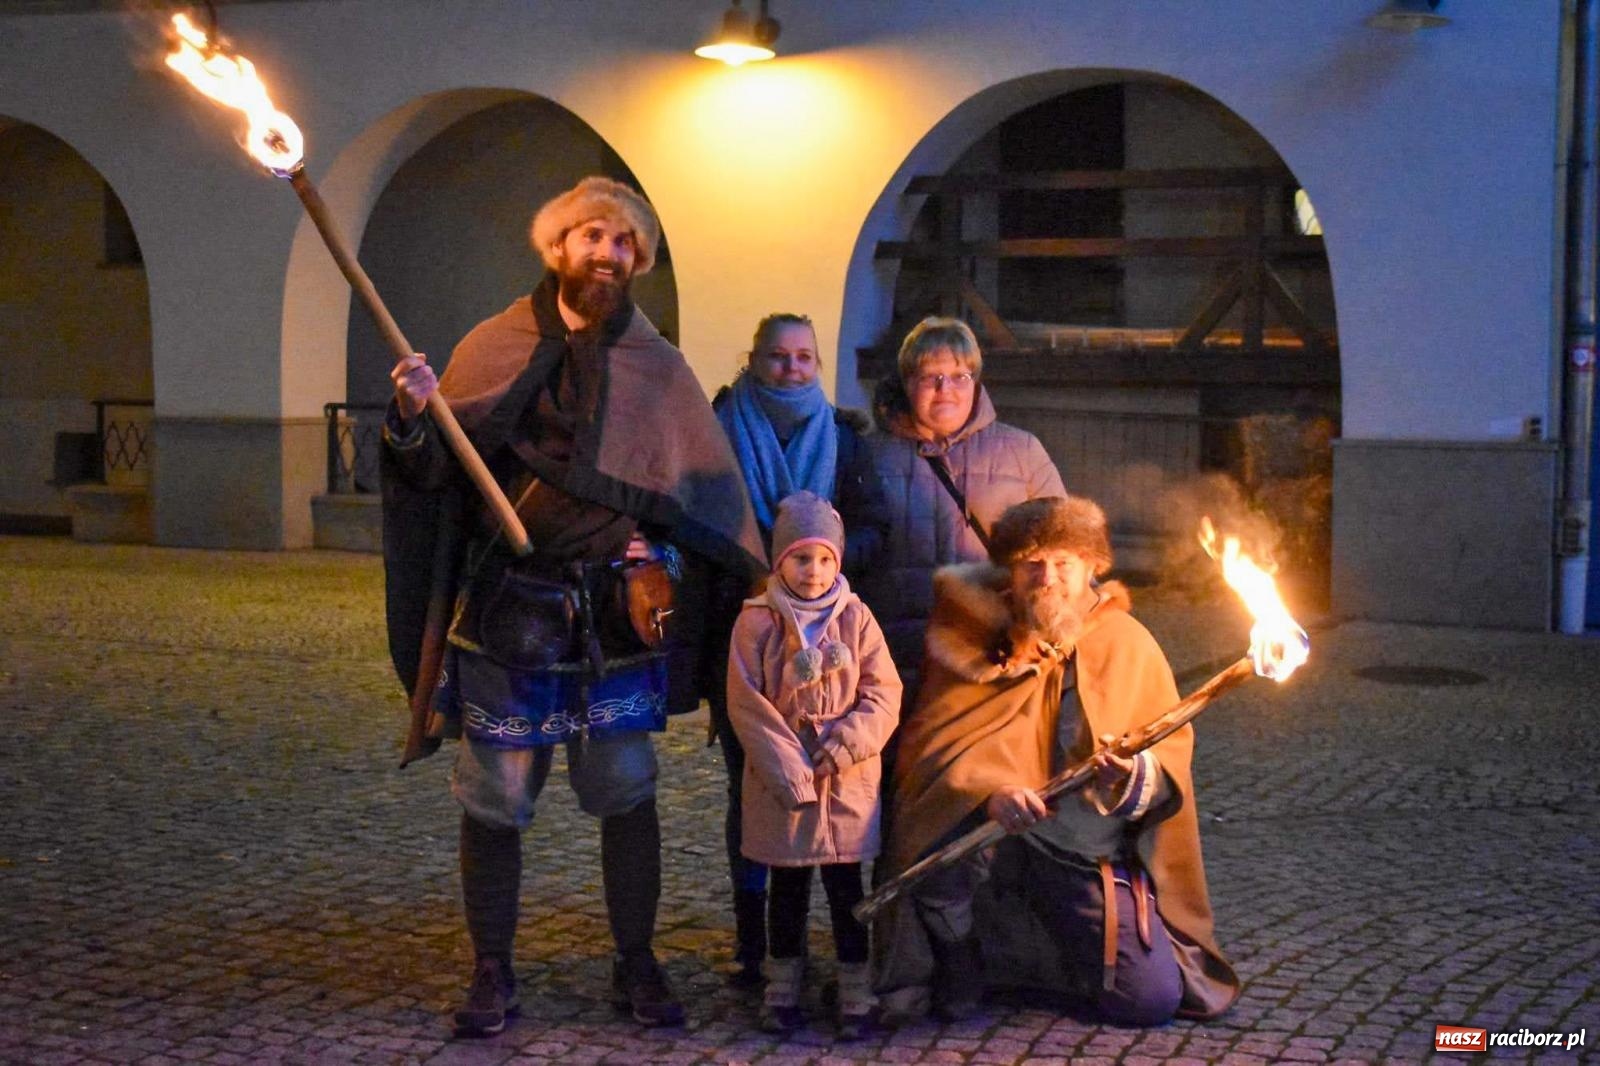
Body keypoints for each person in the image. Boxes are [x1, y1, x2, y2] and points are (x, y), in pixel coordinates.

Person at [381, 176, 764, 1037]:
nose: (608, 253)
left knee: (626, 789)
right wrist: (410, 417)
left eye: (624, 243)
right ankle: (492, 966)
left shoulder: (658, 367)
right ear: (557, 247)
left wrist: (667, 558)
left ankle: (637, 959)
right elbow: (434, 473)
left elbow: (699, 500)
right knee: (497, 794)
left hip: (616, 623)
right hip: (509, 614)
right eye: (592, 236)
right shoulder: (494, 344)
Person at [874, 497, 1239, 1025]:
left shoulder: (1129, 645)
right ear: (1010, 571)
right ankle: (959, 951)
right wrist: (988, 794)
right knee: (936, 844)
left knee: (1148, 1000)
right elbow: (932, 755)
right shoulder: (972, 631)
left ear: (1092, 566)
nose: (1047, 578)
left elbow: (1168, 759)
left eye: (1063, 563)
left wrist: (1131, 779)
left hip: (1078, 851)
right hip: (991, 842)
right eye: (1032, 563)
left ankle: (1047, 965)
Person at [707, 313, 889, 986]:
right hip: (745, 631)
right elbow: (695, 523)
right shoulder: (719, 429)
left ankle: (844, 951)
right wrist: (754, 568)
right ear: (753, 359)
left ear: (817, 364)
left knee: (836, 800)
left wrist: (821, 563)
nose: (791, 368)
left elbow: (875, 527)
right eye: (777, 357)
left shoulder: (845, 437)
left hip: (831, 637)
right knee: (755, 790)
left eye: (804, 357)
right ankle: (756, 945)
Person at [725, 492, 901, 1038]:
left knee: (848, 890)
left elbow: (883, 693)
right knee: (788, 887)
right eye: (802, 558)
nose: (815, 571)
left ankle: (855, 987)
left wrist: (848, 742)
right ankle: (782, 984)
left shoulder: (857, 618)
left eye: (825, 559)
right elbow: (747, 703)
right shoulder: (756, 623)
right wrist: (789, 767)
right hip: (784, 784)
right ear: (781, 561)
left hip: (846, 781)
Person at [856, 316, 1066, 698]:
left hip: (991, 657)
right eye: (930, 377)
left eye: (959, 376)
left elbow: (1064, 547)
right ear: (906, 382)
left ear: (976, 381)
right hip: (889, 656)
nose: (945, 390)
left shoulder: (1022, 453)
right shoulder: (867, 455)